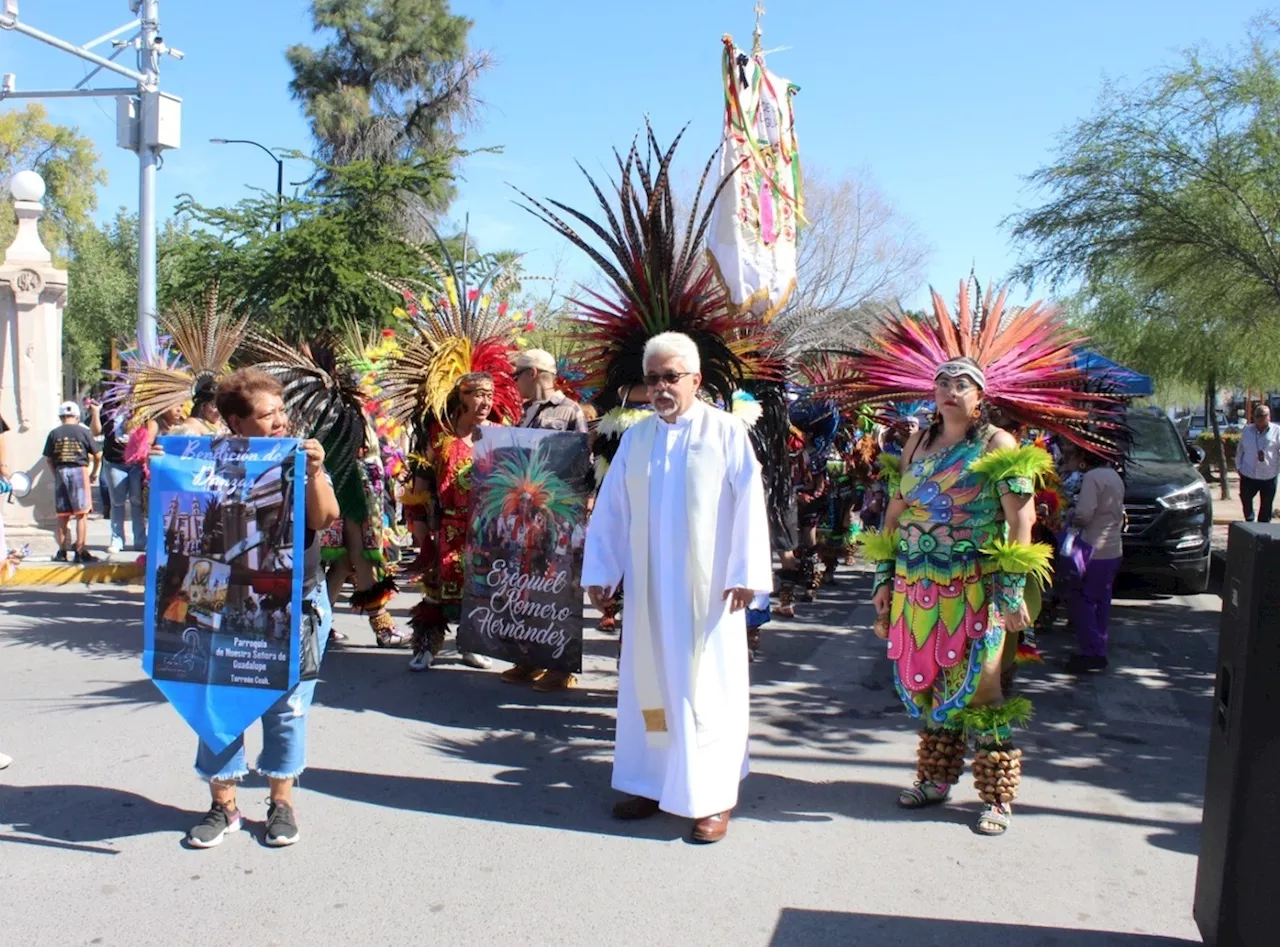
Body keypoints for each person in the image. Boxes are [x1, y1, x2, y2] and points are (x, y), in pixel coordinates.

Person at [848, 281, 1122, 836]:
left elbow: (1020, 521)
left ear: (981, 395)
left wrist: (1013, 590)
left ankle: (997, 795)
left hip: (978, 585)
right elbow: (894, 516)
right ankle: (935, 779)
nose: (949, 390)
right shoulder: (916, 445)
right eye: (942, 382)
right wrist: (882, 575)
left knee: (986, 686)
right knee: (932, 682)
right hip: (917, 585)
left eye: (961, 383)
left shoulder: (998, 444)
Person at [583, 332, 772, 844]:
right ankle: (651, 779)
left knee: (706, 690)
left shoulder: (726, 432)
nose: (661, 387)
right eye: (652, 379)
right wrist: (602, 571)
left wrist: (745, 575)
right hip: (649, 593)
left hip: (709, 594)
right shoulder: (639, 439)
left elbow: (750, 504)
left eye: (671, 377)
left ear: (696, 380)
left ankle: (712, 796)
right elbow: (613, 508)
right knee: (651, 686)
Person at [185, 368, 339, 849]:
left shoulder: (300, 457)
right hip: (221, 596)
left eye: (281, 410)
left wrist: (314, 472)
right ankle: (223, 805)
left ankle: (281, 802)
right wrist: (167, 467)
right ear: (235, 422)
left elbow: (327, 518)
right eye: (266, 414)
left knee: (287, 707)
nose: (279, 421)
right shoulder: (204, 460)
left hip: (296, 596)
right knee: (217, 703)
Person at [502, 347, 589, 691]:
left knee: (558, 591)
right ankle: (530, 657)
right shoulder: (523, 414)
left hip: (558, 516)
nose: (514, 382)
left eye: (517, 374)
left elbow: (582, 463)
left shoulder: (569, 412)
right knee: (528, 589)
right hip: (526, 518)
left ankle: (560, 665)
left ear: (533, 373)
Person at [406, 373, 499, 672]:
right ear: (462, 396)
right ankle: (425, 647)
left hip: (485, 532)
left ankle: (471, 645)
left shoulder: (500, 434)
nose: (485, 401)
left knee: (480, 590)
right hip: (446, 528)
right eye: (478, 394)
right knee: (435, 592)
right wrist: (421, 533)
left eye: (490, 394)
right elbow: (419, 487)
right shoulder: (438, 435)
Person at [1064, 447, 1125, 673]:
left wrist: (1070, 515)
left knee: (1083, 600)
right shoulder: (1113, 475)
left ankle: (1093, 652)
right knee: (1101, 600)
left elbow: (1084, 514)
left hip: (1092, 549)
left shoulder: (1092, 478)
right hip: (1112, 548)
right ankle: (1098, 645)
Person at [43, 401, 102, 563]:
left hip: (61, 471)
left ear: (61, 417)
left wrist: (56, 473)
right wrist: (94, 472)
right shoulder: (84, 432)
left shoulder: (54, 433)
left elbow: (48, 459)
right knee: (81, 514)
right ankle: (80, 551)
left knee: (63, 515)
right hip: (79, 471)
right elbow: (97, 455)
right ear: (76, 416)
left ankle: (62, 552)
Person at [98, 404, 147, 553]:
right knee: (117, 502)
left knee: (136, 501)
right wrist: (95, 411)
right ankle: (117, 539)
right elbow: (97, 430)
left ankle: (140, 540)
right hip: (114, 461)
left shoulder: (140, 408)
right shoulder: (107, 409)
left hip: (136, 461)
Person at [1235, 404, 1280, 523]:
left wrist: (1277, 470)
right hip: (1248, 473)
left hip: (1269, 475)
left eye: (1263, 416)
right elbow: (1240, 450)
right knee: (1246, 499)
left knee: (1266, 505)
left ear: (1269, 417)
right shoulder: (1247, 431)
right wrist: (1238, 467)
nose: (1260, 419)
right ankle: (1250, 521)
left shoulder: (1277, 431)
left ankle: (1262, 530)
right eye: (1257, 416)